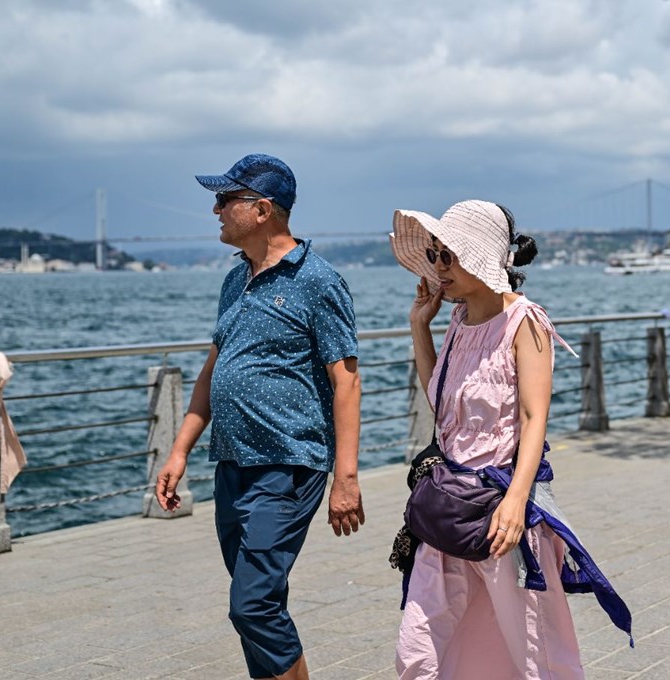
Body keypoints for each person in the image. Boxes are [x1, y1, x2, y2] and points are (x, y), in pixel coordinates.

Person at [389, 200, 631, 679]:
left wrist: (516, 503)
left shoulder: (526, 321)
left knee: (532, 654)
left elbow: (534, 417)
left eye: (448, 255)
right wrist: (420, 324)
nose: (439, 267)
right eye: (434, 255)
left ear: (480, 256)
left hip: (503, 510)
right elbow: (441, 403)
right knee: (417, 650)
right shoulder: (457, 321)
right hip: (450, 509)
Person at [155, 154, 364, 680]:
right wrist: (179, 450)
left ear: (262, 209)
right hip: (233, 464)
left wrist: (347, 479)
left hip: (289, 465)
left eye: (226, 200)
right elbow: (213, 370)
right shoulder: (236, 280)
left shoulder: (318, 280)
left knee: (252, 605)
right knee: (260, 605)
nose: (216, 210)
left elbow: (346, 381)